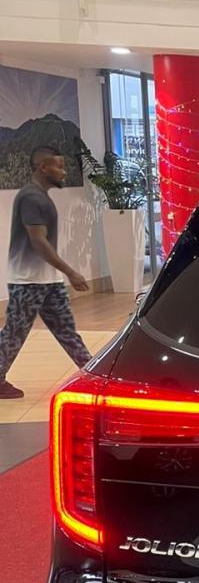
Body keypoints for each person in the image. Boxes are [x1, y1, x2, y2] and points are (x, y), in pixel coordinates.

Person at [0, 146, 91, 400]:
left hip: (48, 280)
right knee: (14, 334)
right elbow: (38, 241)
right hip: (28, 281)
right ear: (43, 167)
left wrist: (60, 274)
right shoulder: (32, 198)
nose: (63, 172)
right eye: (59, 166)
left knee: (66, 332)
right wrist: (71, 272)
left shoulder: (39, 197)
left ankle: (93, 375)